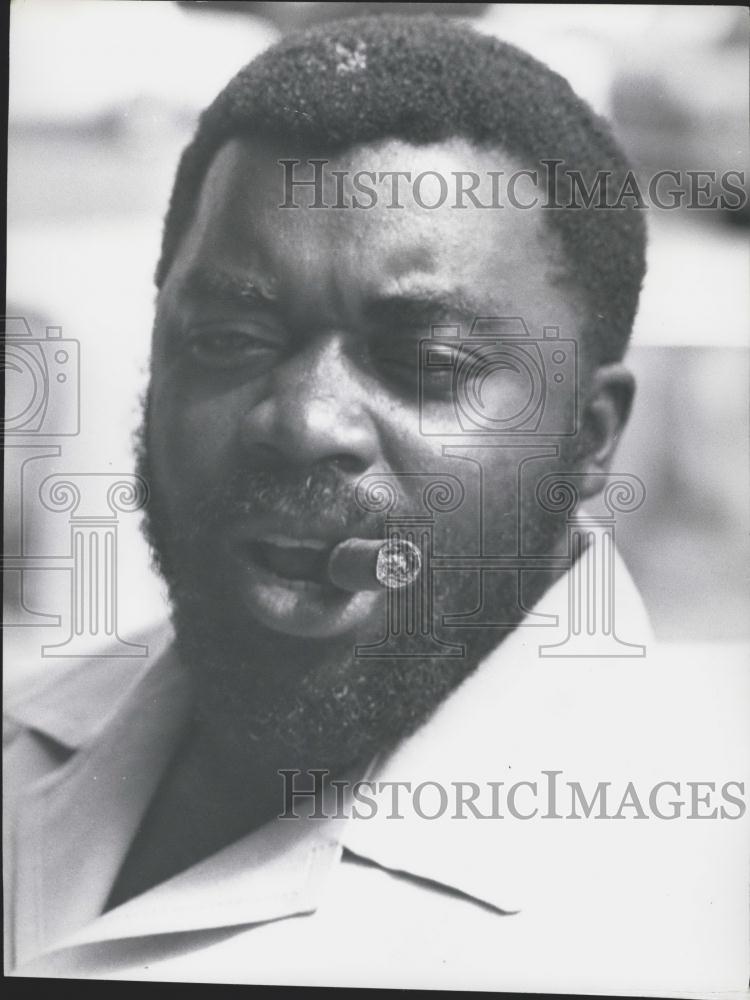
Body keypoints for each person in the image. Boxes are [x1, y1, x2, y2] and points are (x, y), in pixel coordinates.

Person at [4, 14, 746, 992]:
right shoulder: (24, 733)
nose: (306, 422)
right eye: (229, 338)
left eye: (426, 363)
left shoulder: (695, 907)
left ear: (591, 436)